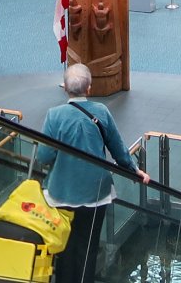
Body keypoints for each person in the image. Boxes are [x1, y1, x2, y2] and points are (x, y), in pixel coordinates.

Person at [38, 64, 149, 283]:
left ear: (65, 88)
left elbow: (43, 156)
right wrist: (135, 171)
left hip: (61, 194)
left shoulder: (54, 116)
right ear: (89, 88)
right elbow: (119, 151)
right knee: (87, 249)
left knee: (62, 247)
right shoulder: (101, 112)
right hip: (95, 194)